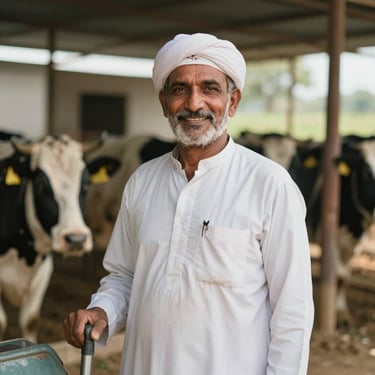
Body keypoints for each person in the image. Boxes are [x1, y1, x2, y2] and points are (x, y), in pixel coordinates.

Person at [63, 33, 314, 375]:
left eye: (210, 88)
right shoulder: (142, 181)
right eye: (179, 89)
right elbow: (124, 275)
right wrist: (103, 311)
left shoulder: (270, 184)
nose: (194, 103)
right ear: (165, 102)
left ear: (233, 101)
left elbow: (293, 312)